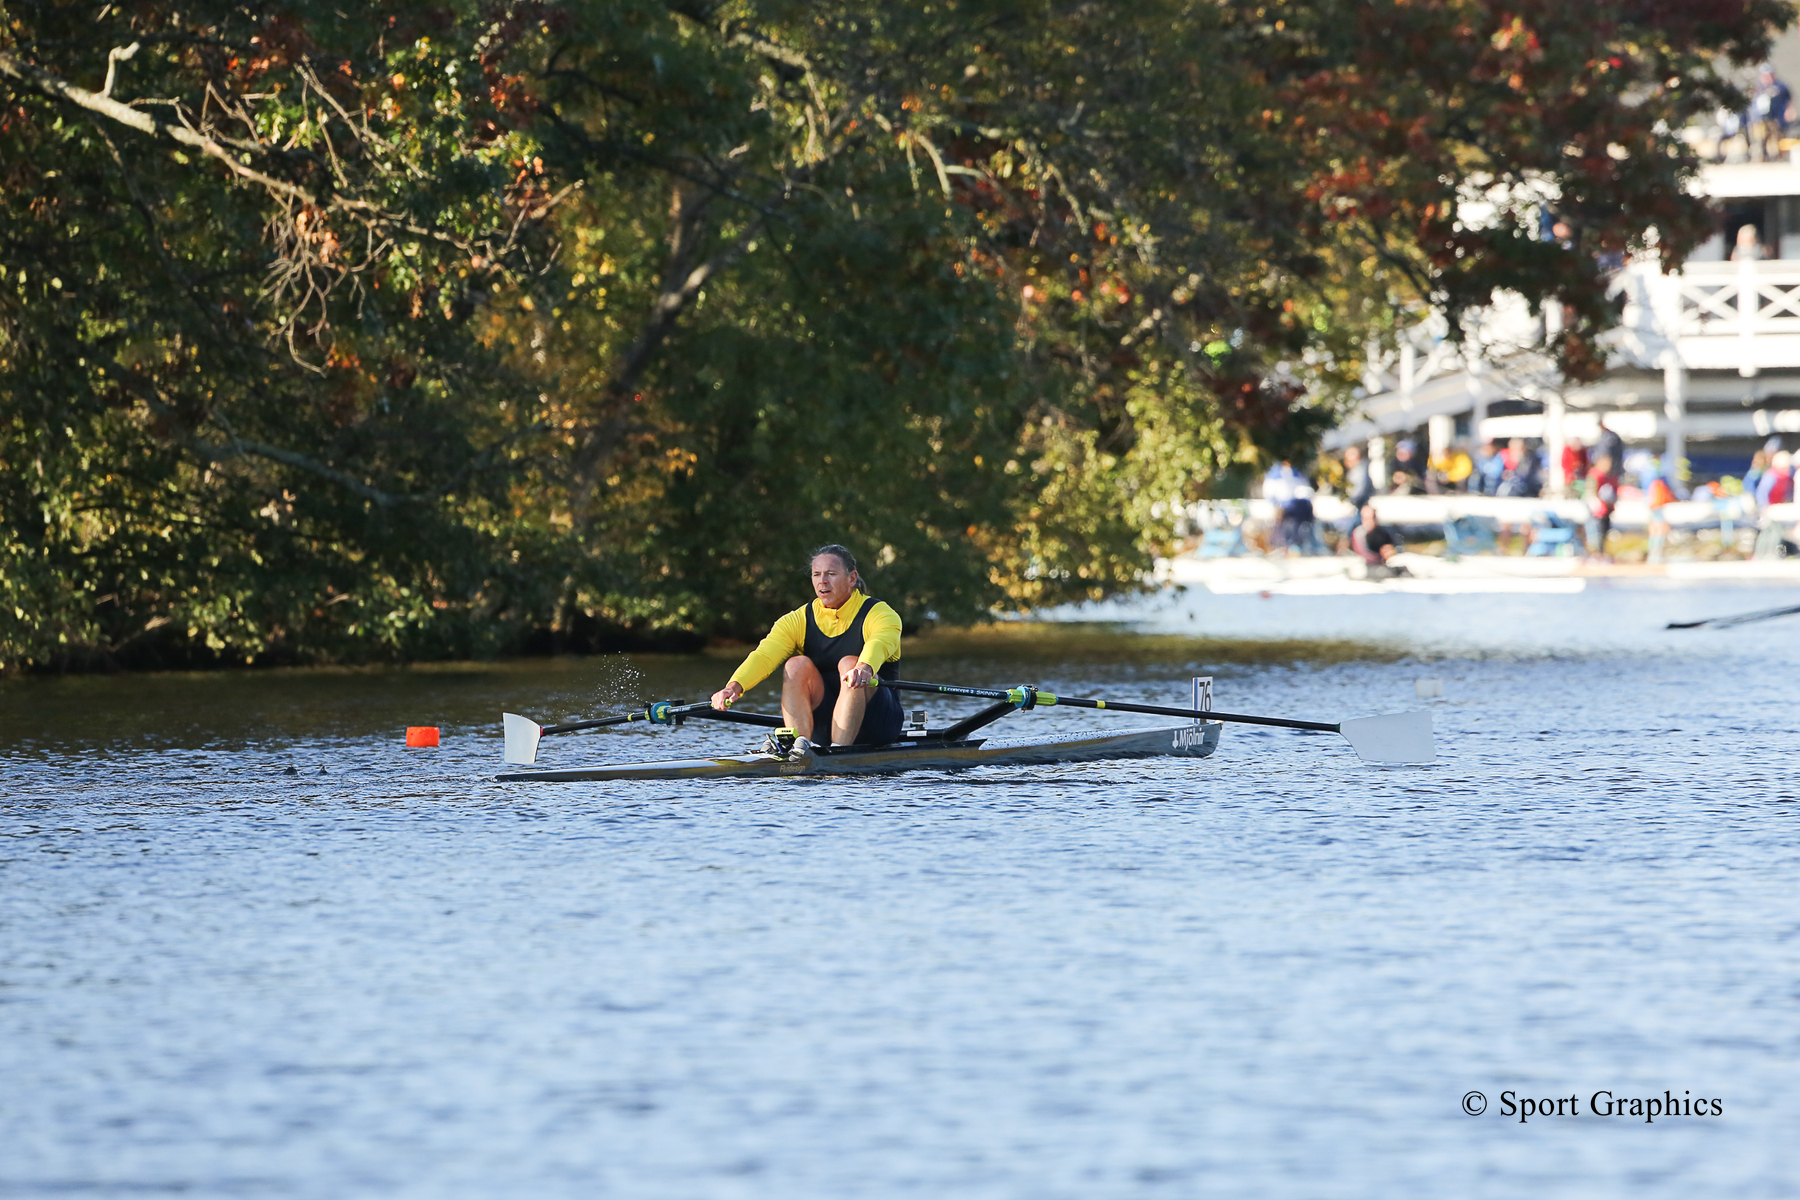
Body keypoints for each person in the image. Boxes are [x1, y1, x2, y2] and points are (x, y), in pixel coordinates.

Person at [709, 544, 905, 761]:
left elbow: (880, 642)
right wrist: (734, 686)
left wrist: (864, 667)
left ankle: (839, 752)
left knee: (850, 665)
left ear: (852, 578)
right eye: (816, 574)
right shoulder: (798, 619)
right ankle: (799, 747)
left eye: (831, 574)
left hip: (878, 723)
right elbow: (764, 655)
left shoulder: (880, 614)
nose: (823, 581)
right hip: (824, 723)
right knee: (795, 665)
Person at [1750, 63, 1793, 162]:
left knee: (1778, 136)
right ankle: (1761, 157)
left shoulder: (1780, 86)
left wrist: (1789, 111)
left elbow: (1788, 99)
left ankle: (1780, 157)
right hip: (1760, 117)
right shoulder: (1757, 87)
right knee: (1760, 137)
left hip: (1776, 116)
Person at [1349, 503, 1405, 577]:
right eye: (1364, 518)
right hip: (1363, 566)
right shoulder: (1358, 533)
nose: (1367, 521)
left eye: (1370, 517)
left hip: (1378, 567)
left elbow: (1389, 551)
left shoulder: (1381, 534)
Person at [1584, 453, 1619, 561]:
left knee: (1604, 532)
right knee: (1594, 532)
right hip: (1597, 509)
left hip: (1606, 509)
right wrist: (1597, 504)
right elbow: (1591, 493)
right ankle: (1595, 554)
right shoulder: (1595, 475)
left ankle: (1601, 553)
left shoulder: (1609, 476)